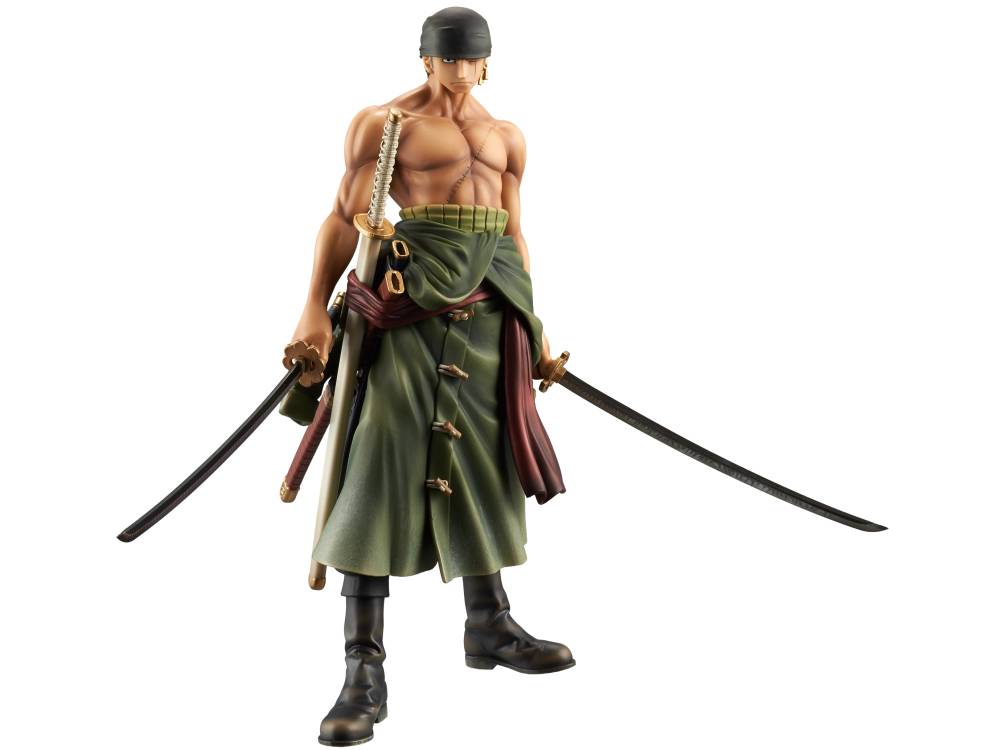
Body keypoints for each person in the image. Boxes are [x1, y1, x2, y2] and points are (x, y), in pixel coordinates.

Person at [286, 8, 573, 746]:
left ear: (488, 63)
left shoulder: (507, 135)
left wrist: (534, 325)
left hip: (491, 316)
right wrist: (313, 308)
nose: (461, 70)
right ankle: (363, 668)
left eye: (472, 59)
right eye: (449, 58)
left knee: (485, 463)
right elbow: (344, 219)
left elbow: (514, 235)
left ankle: (490, 624)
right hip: (409, 304)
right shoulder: (386, 127)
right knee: (379, 462)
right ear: (426, 60)